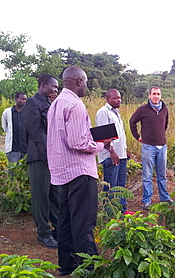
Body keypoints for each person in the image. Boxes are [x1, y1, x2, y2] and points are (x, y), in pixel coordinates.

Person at [47, 66, 112, 276]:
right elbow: (78, 142)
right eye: (85, 81)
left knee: (65, 222)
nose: (86, 86)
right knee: (83, 223)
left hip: (62, 173)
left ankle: (66, 266)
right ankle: (89, 270)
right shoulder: (75, 105)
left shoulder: (56, 104)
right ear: (78, 81)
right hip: (80, 173)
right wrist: (102, 145)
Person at [21, 74, 59, 249]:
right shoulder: (31, 104)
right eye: (53, 86)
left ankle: (58, 230)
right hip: (39, 159)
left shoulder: (49, 104)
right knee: (41, 198)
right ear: (43, 85)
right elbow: (37, 135)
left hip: (51, 159)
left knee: (55, 196)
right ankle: (43, 234)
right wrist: (50, 157)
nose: (55, 90)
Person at [129, 86, 172, 210]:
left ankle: (164, 197)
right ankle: (147, 200)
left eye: (158, 94)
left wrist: (159, 137)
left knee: (161, 174)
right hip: (148, 147)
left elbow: (165, 125)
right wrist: (137, 137)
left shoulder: (165, 109)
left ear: (160, 95)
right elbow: (132, 122)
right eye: (154, 94)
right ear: (149, 95)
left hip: (162, 146)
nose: (156, 96)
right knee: (147, 176)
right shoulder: (143, 109)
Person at [95, 89, 134, 215]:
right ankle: (110, 213)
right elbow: (103, 136)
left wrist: (124, 150)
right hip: (110, 156)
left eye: (119, 98)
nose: (118, 100)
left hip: (120, 155)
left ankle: (122, 210)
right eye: (115, 98)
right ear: (107, 99)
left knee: (121, 185)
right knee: (111, 186)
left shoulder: (116, 113)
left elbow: (119, 135)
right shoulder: (103, 112)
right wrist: (112, 151)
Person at [1, 92, 27, 163]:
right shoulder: (7, 112)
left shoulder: (27, 112)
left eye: (25, 99)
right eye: (22, 99)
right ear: (16, 99)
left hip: (26, 149)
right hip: (13, 150)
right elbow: (4, 127)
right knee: (13, 172)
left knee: (26, 172)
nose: (24, 101)